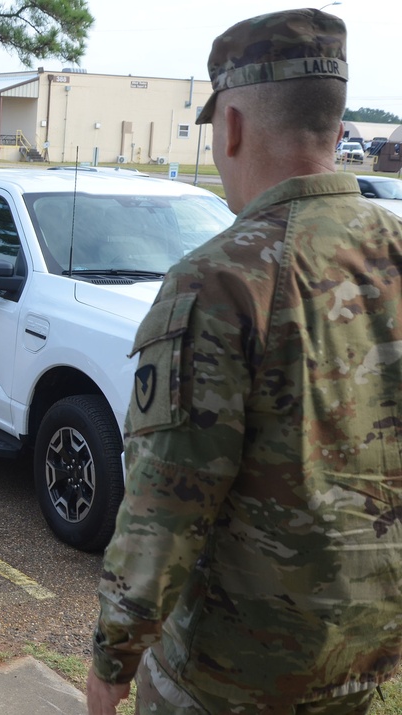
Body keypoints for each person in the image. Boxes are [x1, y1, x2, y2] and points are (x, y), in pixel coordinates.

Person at [87, 9, 402, 715]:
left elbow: (164, 506)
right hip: (368, 663)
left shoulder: (220, 280)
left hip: (233, 679)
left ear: (230, 125)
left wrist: (112, 661)